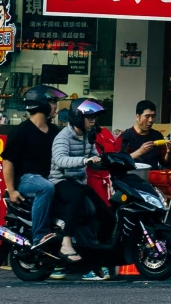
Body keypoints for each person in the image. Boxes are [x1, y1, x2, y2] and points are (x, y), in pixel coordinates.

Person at [49, 97, 119, 280]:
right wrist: (84, 161)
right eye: (90, 118)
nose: (93, 121)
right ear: (78, 117)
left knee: (108, 216)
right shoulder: (62, 137)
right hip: (60, 182)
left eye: (95, 118)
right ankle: (66, 242)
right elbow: (60, 160)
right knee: (80, 200)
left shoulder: (88, 137)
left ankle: (100, 257)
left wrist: (111, 162)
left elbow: (96, 157)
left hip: (79, 183)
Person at [2, 86, 64, 250]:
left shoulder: (54, 131)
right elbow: (8, 161)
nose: (55, 106)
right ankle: (39, 236)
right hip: (27, 180)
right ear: (40, 103)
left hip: (48, 177)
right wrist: (11, 190)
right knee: (45, 188)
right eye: (52, 101)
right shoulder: (22, 131)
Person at [117, 100, 167, 168]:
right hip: (132, 176)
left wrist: (169, 153)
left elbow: (165, 163)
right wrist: (140, 152)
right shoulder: (125, 136)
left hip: (152, 176)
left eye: (153, 116)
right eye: (147, 116)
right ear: (137, 117)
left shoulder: (157, 135)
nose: (151, 120)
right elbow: (118, 162)